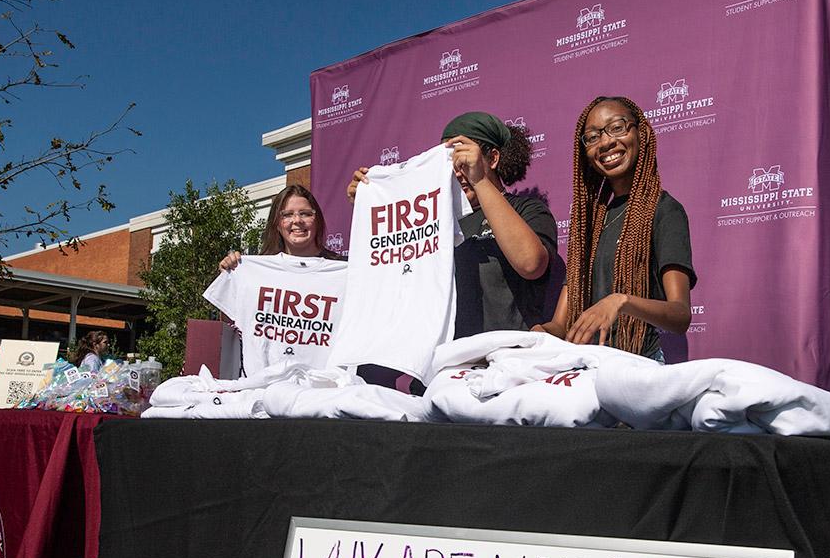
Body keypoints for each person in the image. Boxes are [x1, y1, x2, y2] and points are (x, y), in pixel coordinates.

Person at [347, 112, 556, 336]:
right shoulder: (435, 220)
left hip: (510, 351)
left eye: (464, 160)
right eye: (449, 162)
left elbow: (531, 264)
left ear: (493, 158)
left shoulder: (526, 209)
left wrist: (479, 180)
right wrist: (372, 204)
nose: (458, 171)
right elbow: (396, 283)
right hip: (450, 354)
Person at [535, 95, 695, 360]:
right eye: (592, 137)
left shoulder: (664, 210)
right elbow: (560, 326)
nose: (606, 142)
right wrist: (539, 334)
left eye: (617, 127)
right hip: (586, 369)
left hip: (637, 366)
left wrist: (621, 301)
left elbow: (680, 315)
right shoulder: (588, 223)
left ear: (641, 134)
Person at [218, 183, 343, 271]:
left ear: (317, 220)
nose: (297, 220)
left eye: (305, 214)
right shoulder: (259, 269)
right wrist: (230, 273)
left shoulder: (343, 268)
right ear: (277, 224)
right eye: (287, 215)